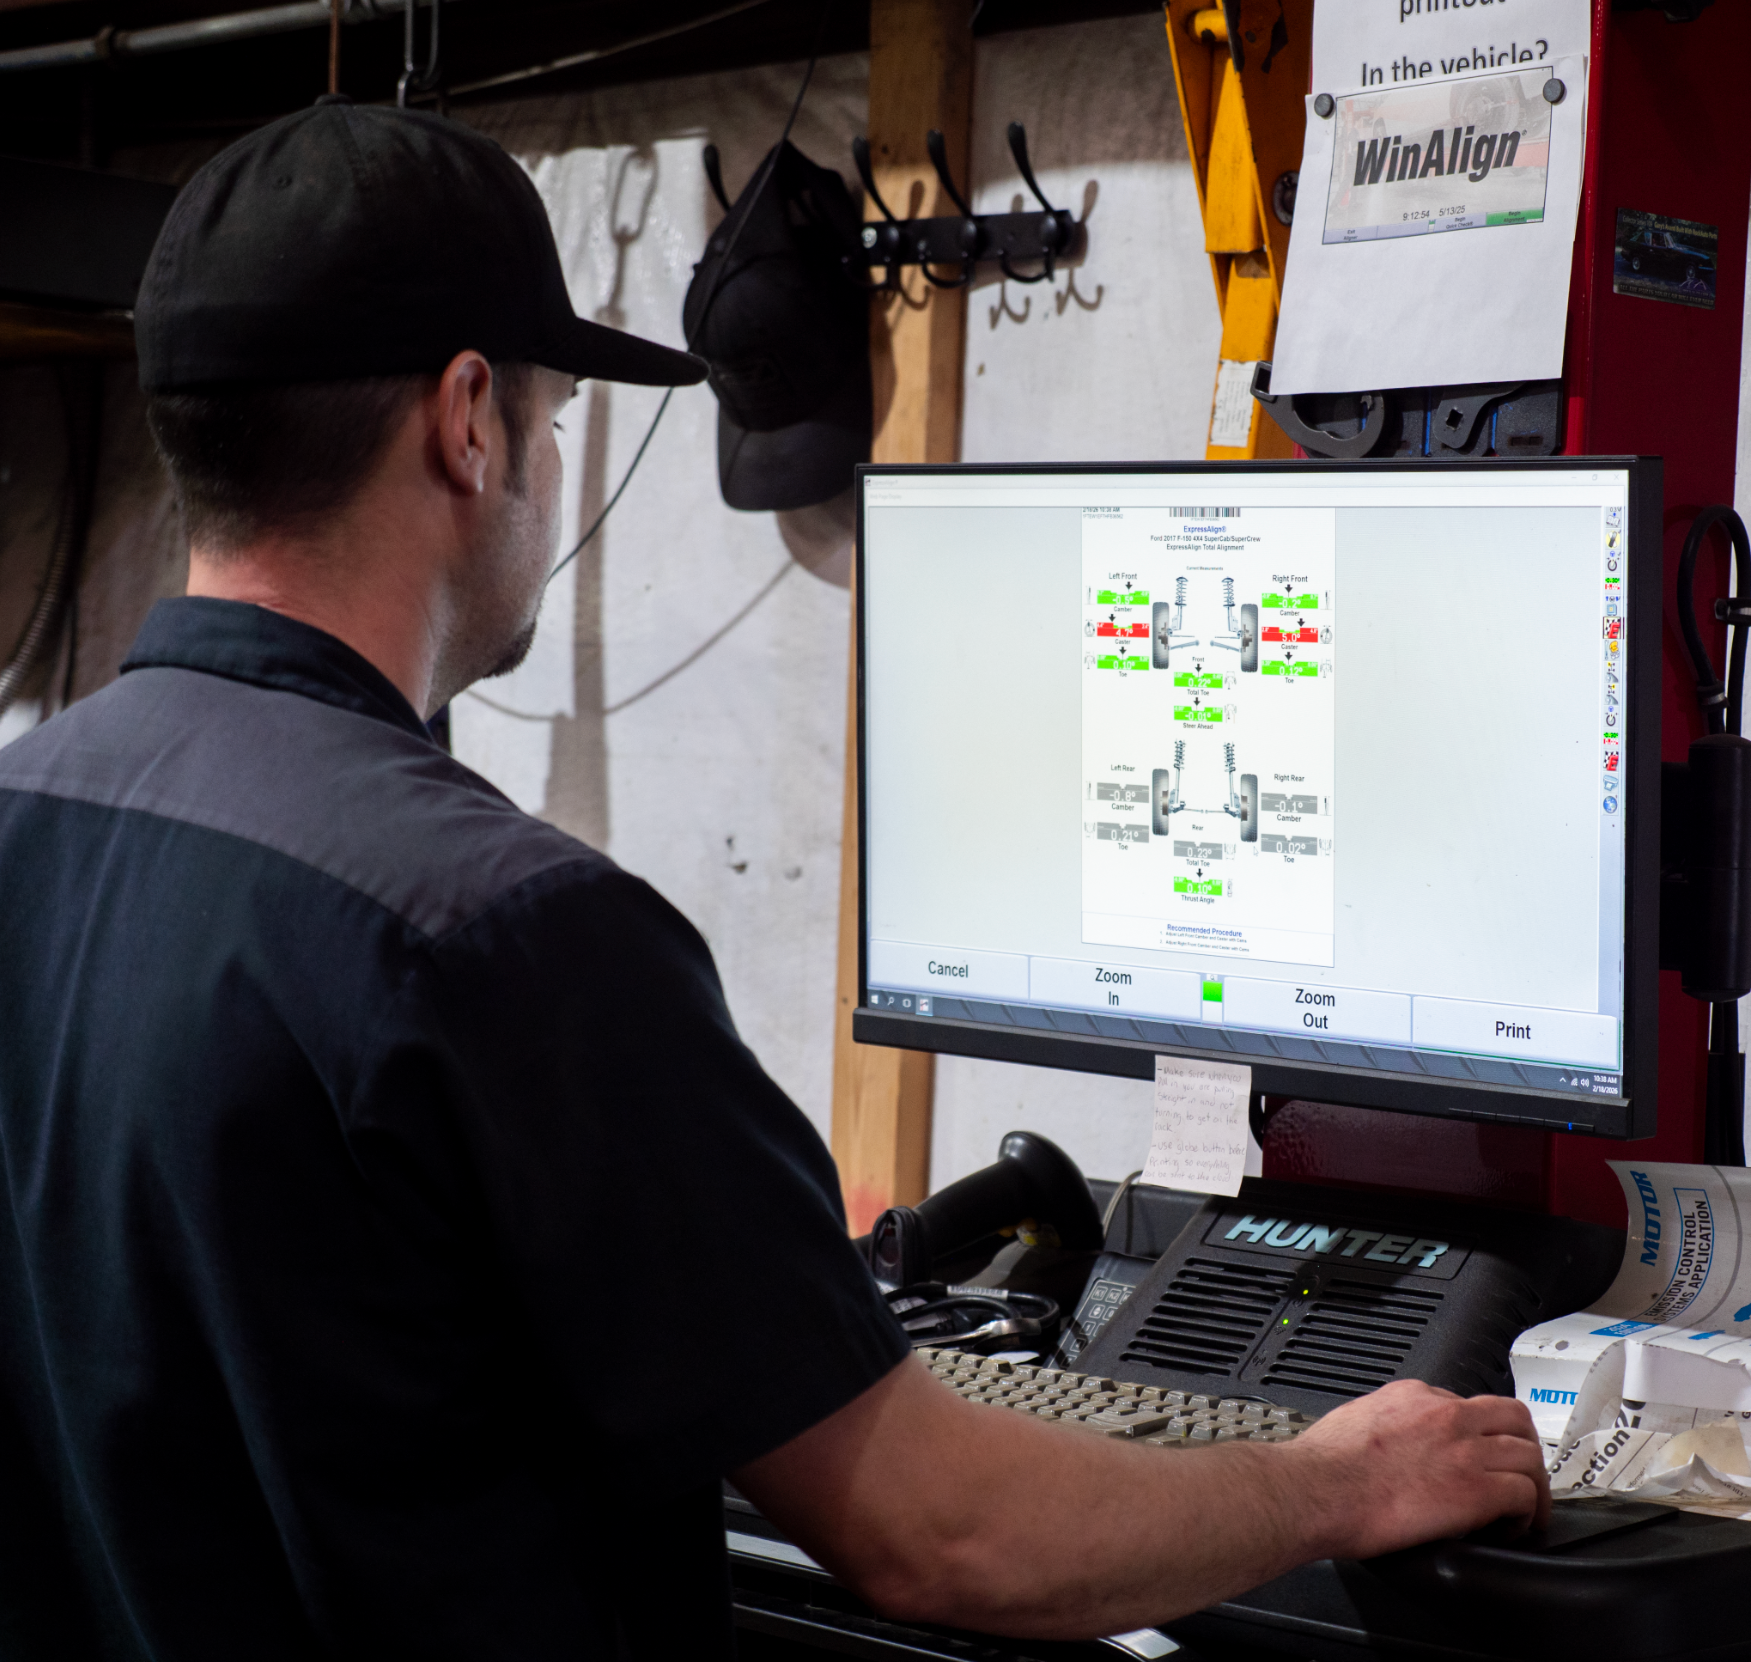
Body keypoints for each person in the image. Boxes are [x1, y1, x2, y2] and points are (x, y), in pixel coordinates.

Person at [0, 99, 1550, 1660]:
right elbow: (944, 1530)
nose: (535, 466)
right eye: (545, 423)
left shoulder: (21, 818)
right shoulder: (510, 934)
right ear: (466, 422)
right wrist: (1326, 1483)